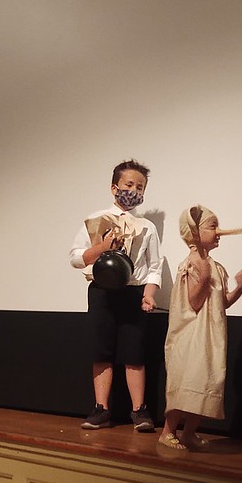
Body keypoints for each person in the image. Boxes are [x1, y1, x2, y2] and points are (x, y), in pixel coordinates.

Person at [69, 159, 163, 432]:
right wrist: (103, 247)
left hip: (133, 293)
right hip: (102, 292)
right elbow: (76, 258)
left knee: (134, 352)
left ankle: (139, 410)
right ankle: (101, 409)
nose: (134, 191)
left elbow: (154, 267)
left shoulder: (147, 227)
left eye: (140, 187)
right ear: (114, 187)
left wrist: (148, 295)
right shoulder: (95, 220)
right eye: (129, 184)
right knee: (101, 350)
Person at [158, 206, 242, 457]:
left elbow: (222, 302)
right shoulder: (192, 263)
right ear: (195, 232)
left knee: (206, 380)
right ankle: (167, 432)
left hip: (211, 336)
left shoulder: (214, 266)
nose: (218, 232)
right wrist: (204, 278)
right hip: (192, 336)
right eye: (212, 226)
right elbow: (194, 302)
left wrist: (240, 287)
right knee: (190, 379)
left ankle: (189, 433)